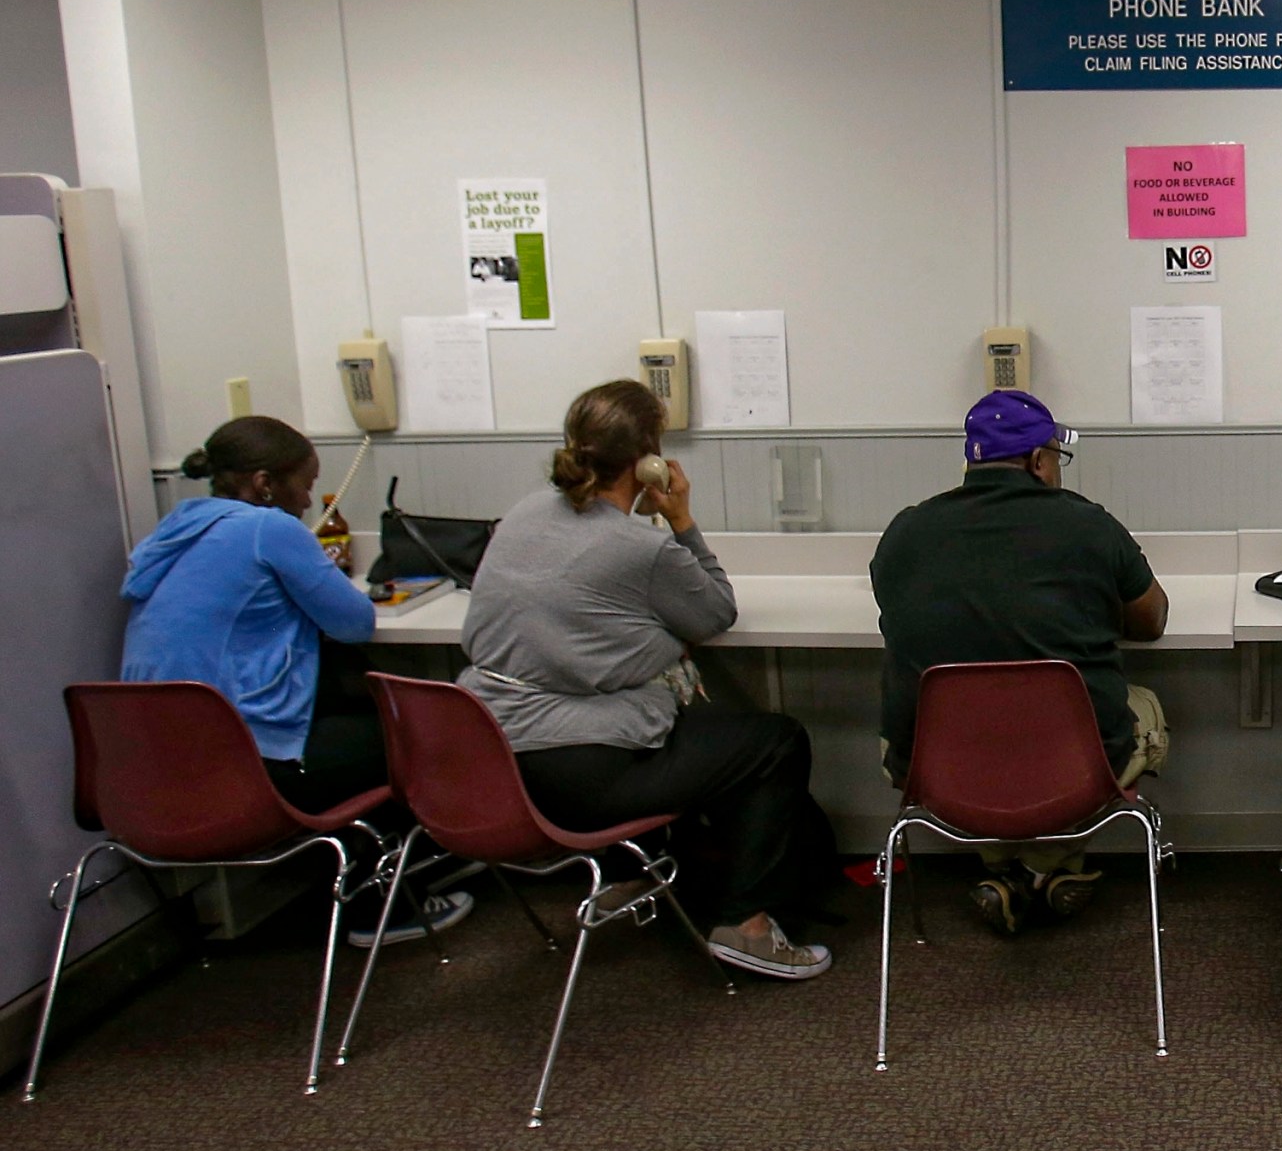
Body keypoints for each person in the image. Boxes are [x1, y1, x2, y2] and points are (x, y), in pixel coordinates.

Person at [460, 381, 834, 980]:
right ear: (648, 461)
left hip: (489, 758)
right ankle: (747, 923)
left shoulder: (526, 512)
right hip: (577, 776)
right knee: (774, 741)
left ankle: (632, 873)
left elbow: (574, 631)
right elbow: (714, 613)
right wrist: (681, 519)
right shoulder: (639, 545)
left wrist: (648, 643)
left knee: (685, 722)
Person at [121, 417, 472, 945]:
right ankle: (386, 904)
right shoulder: (270, 529)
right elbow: (354, 620)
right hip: (244, 764)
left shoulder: (177, 526)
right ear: (265, 483)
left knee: (353, 712)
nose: (310, 501)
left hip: (154, 766)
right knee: (411, 732)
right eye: (305, 485)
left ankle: (376, 875)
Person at [871, 389, 1171, 936]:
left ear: (972, 460)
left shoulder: (904, 532)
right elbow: (1152, 620)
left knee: (976, 733)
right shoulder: (1088, 525)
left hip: (936, 769)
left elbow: (900, 618)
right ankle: (1048, 865)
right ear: (1040, 461)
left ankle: (1004, 872)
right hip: (1074, 765)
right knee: (1138, 708)